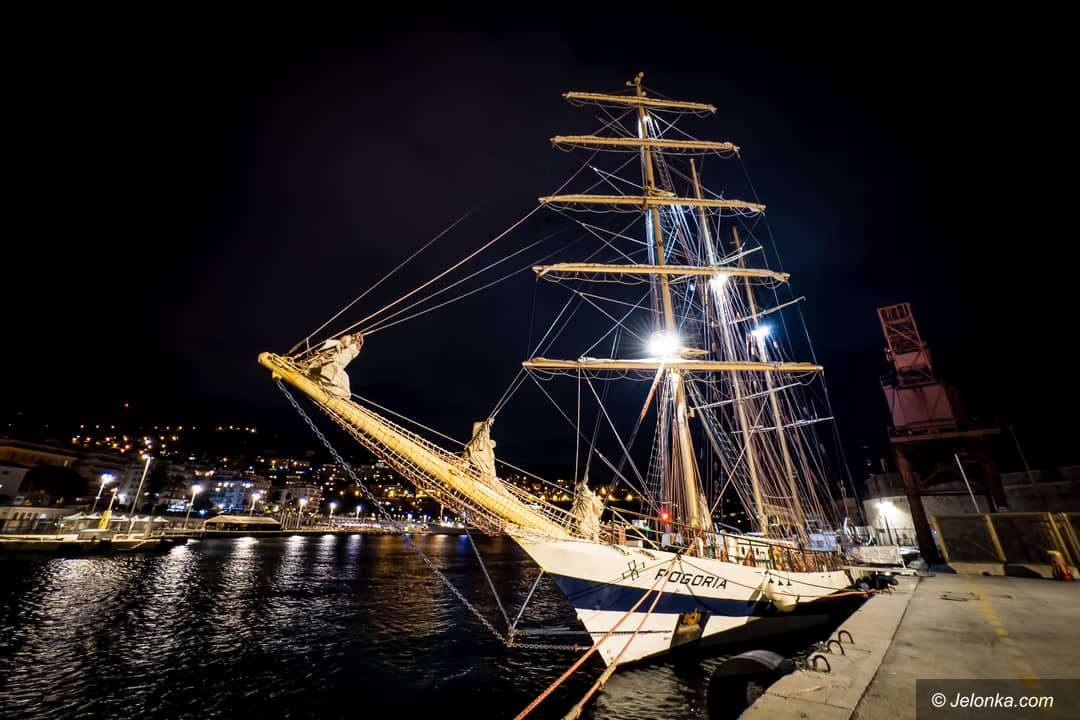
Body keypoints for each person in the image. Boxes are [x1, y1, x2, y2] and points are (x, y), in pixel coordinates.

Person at [306, 333, 364, 399]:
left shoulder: (351, 351)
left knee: (343, 384)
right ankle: (328, 388)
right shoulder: (338, 344)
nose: (358, 342)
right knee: (331, 374)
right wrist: (322, 355)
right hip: (330, 366)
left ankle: (331, 390)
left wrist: (357, 341)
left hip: (337, 370)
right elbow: (343, 342)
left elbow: (355, 350)